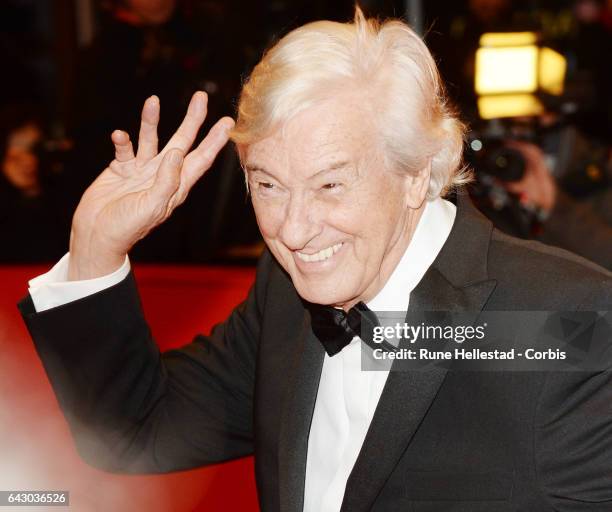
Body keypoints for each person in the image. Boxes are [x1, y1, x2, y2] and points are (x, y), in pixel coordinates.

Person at [19, 9, 612, 512]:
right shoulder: (285, 296)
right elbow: (132, 431)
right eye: (269, 185)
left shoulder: (573, 324)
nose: (292, 231)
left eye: (330, 186)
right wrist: (96, 245)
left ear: (416, 175)